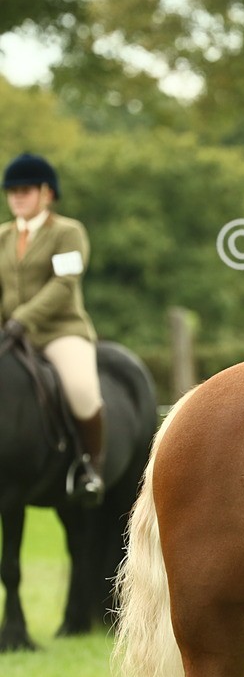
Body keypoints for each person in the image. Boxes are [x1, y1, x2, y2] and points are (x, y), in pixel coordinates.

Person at [1, 153, 105, 506]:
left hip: (59, 330)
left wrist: (23, 318)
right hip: (11, 333)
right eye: (12, 190)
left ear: (47, 193)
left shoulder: (67, 232)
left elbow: (64, 284)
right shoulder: (2, 236)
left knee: (81, 389)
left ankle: (90, 467)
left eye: (25, 189)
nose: (17, 196)